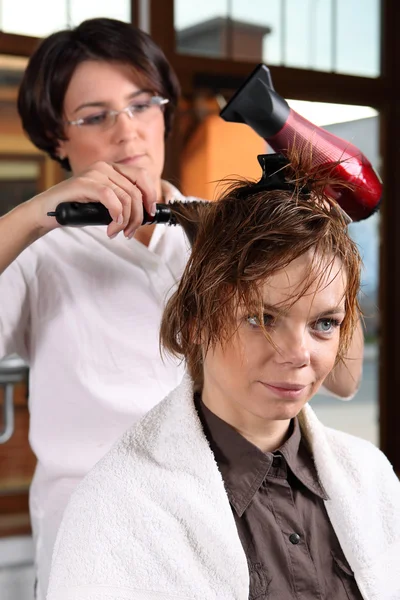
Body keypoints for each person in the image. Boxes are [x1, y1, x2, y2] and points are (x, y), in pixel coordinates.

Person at [0, 17, 363, 599]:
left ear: (164, 113)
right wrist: (38, 212)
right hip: (96, 559)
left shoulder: (224, 230)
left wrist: (323, 258)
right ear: (57, 139)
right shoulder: (40, 253)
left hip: (222, 545)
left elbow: (341, 377)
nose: (128, 133)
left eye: (142, 105)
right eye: (95, 116)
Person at [47, 157, 400, 600]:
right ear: (195, 321)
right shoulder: (118, 510)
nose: (298, 355)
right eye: (262, 318)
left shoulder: (372, 479)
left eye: (324, 323)